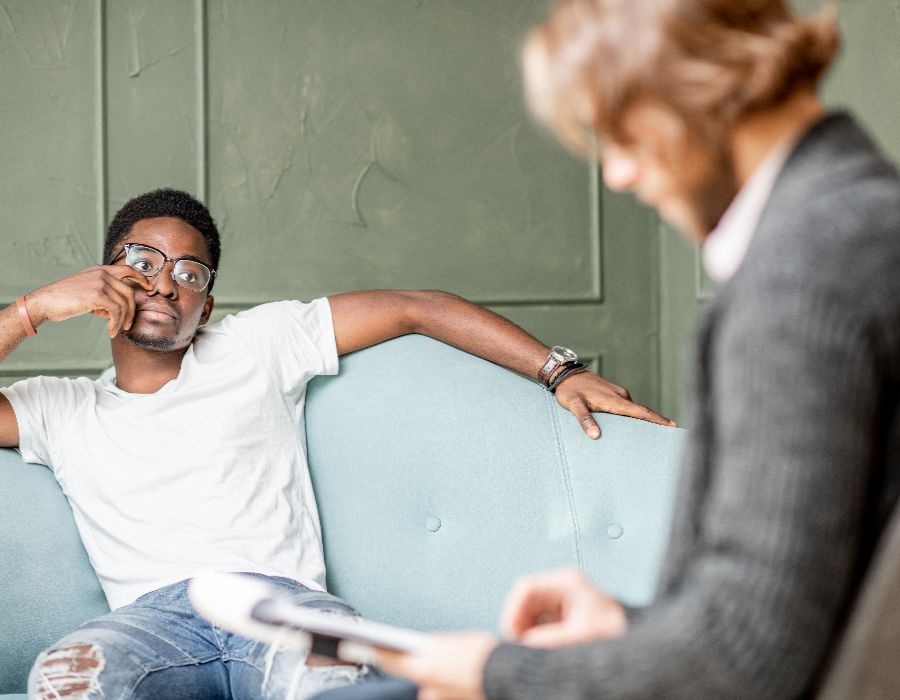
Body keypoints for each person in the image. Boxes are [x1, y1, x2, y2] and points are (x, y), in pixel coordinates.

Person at [323, 1, 900, 698]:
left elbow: (745, 654)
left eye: (624, 131)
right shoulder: (871, 220)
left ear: (703, 83)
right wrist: (631, 628)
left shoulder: (800, 276)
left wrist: (494, 673)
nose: (619, 174)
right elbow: (810, 608)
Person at [0, 187, 672, 700]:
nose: (165, 283)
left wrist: (560, 372)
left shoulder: (257, 344)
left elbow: (418, 307)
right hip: (151, 623)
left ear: (206, 305)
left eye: (190, 273)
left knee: (332, 685)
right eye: (143, 261)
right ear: (104, 276)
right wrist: (33, 310)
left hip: (279, 605)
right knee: (67, 679)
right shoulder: (59, 409)